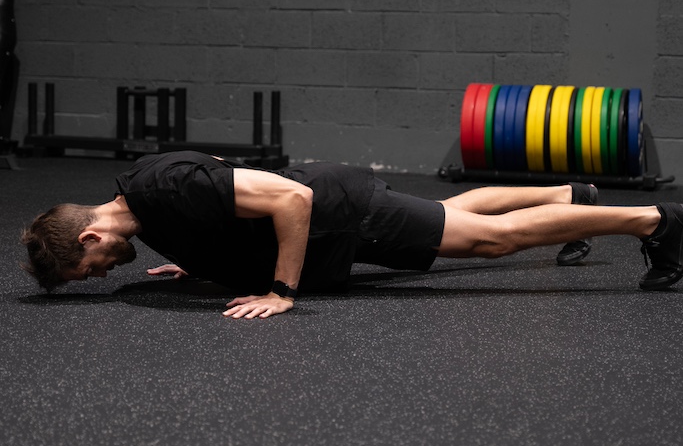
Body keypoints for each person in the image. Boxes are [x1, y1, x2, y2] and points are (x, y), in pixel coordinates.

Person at [20, 150, 683, 319]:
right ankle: (571, 198)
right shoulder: (145, 204)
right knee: (462, 215)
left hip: (339, 211)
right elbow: (223, 213)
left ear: (86, 240)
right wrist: (200, 267)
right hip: (337, 228)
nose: (107, 274)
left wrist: (281, 290)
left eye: (93, 269)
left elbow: (289, 197)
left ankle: (656, 224)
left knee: (492, 241)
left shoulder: (163, 187)